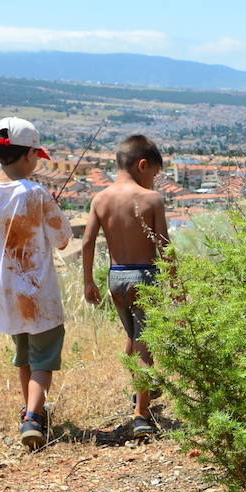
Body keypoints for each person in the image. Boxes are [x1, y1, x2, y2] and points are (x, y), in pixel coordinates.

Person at [0, 117, 72, 450]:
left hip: (3, 292)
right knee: (44, 358)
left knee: (24, 355)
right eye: (37, 156)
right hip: (37, 292)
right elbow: (64, 240)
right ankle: (32, 419)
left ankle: (30, 409)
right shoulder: (37, 193)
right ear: (28, 155)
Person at [81, 134, 168, 439]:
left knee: (132, 337)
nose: (155, 182)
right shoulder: (151, 200)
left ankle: (139, 393)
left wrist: (88, 281)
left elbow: (88, 241)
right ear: (142, 165)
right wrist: (177, 283)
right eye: (154, 174)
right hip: (144, 277)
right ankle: (141, 416)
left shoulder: (100, 199)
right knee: (145, 346)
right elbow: (164, 246)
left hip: (116, 278)